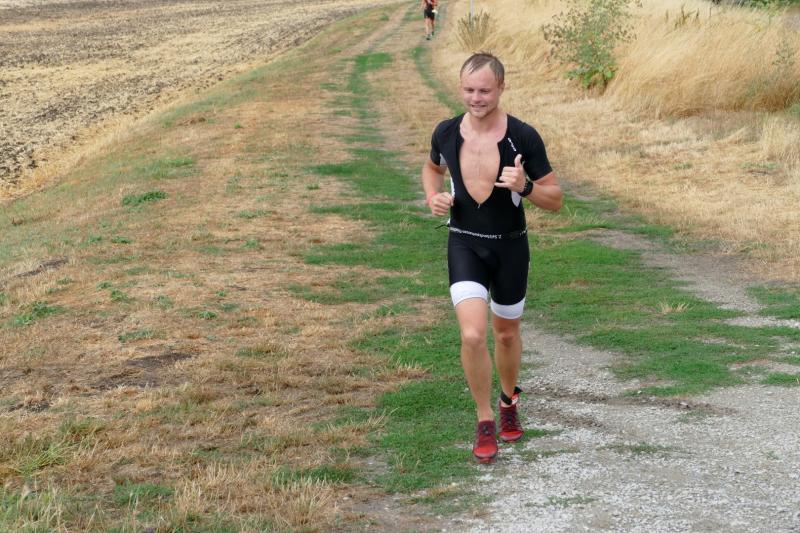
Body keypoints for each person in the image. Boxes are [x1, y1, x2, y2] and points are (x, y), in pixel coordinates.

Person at [421, 52, 563, 463]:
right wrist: (433, 196)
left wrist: (526, 186)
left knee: (505, 335)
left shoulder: (523, 136)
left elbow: (556, 199)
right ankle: (484, 419)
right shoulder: (446, 132)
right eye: (468, 89)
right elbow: (432, 169)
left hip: (510, 246)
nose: (476, 98)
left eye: (484, 90)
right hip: (464, 242)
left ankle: (507, 400)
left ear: (501, 87)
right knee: (472, 334)